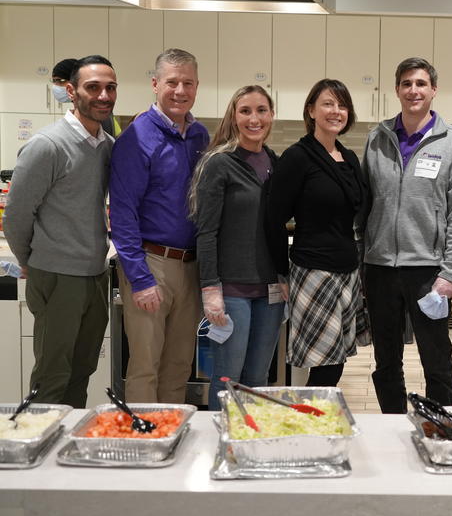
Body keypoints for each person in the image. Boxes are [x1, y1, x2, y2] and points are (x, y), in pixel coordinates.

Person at [362, 57, 452, 414]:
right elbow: (364, 202)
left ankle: (439, 426)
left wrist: (449, 273)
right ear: (397, 89)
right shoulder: (377, 138)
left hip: (428, 270)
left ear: (434, 90)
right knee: (386, 361)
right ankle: (392, 425)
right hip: (379, 267)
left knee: (437, 359)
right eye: (407, 83)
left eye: (421, 84)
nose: (414, 90)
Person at [4, 55, 117, 407]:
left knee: (82, 372)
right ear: (71, 91)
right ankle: (36, 452)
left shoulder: (107, 146)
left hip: (95, 275)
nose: (103, 95)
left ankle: (64, 453)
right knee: (52, 377)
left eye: (110, 87)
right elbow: (16, 217)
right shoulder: (48, 145)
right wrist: (33, 261)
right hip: (57, 275)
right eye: (92, 87)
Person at [109, 48, 209, 403]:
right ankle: (142, 448)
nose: (180, 90)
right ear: (155, 84)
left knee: (179, 366)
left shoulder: (200, 137)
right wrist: (139, 278)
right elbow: (122, 214)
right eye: (172, 82)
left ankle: (171, 439)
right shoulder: (137, 137)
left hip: (190, 266)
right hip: (151, 265)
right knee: (146, 366)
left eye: (188, 83)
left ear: (197, 86)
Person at [265, 79, 369, 387]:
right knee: (323, 364)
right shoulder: (298, 158)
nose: (336, 111)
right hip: (313, 271)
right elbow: (273, 219)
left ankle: (316, 422)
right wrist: (280, 274)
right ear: (311, 110)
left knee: (336, 361)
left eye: (342, 105)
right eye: (327, 104)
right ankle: (311, 424)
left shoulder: (349, 158)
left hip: (347, 271)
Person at [191, 85, 284, 410]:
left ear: (271, 115)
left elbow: (275, 228)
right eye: (245, 111)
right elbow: (206, 232)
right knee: (228, 377)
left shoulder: (275, 162)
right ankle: (222, 445)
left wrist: (283, 275)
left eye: (261, 110)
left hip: (270, 292)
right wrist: (210, 288)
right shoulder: (220, 163)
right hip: (231, 290)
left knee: (258, 377)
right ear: (234, 116)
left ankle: (248, 444)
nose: (254, 118)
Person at [51, 58, 120, 138]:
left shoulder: (98, 115)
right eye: (93, 87)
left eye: (60, 80)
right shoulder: (50, 140)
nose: (104, 97)